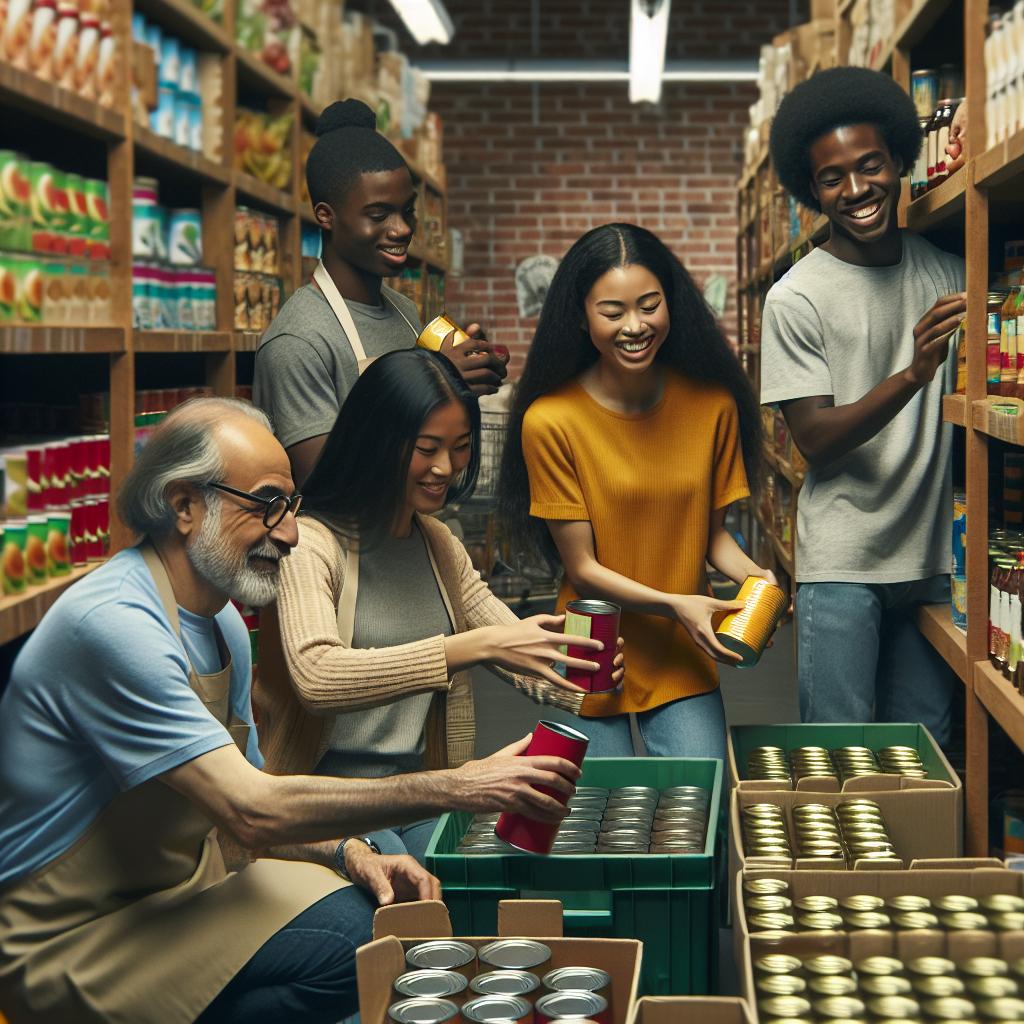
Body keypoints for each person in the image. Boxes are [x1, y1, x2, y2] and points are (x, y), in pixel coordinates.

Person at [0, 398, 582, 1024]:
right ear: (185, 505)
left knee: (378, 931)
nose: (290, 532)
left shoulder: (220, 619)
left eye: (292, 506)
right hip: (68, 938)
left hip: (175, 892)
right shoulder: (115, 625)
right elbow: (250, 812)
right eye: (265, 505)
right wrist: (458, 786)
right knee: (356, 948)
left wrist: (348, 852)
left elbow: (261, 790)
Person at [257, 348, 623, 864]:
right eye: (426, 448)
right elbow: (318, 677)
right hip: (330, 806)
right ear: (377, 442)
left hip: (425, 792)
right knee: (411, 892)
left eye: (459, 448)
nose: (444, 469)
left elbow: (509, 649)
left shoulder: (438, 543)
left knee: (493, 874)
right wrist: (471, 647)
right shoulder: (313, 544)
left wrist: (577, 670)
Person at [498, 223, 772, 763]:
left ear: (672, 303)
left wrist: (753, 576)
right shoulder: (550, 420)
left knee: (700, 817)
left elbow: (711, 534)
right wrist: (677, 604)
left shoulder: (712, 405)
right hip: (592, 649)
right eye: (613, 312)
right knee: (598, 827)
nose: (635, 326)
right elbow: (583, 569)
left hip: (681, 651)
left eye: (649, 305)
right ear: (580, 317)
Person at [759, 67, 966, 746]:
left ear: (901, 159)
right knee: (840, 751)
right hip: (844, 564)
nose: (855, 190)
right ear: (808, 189)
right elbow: (813, 438)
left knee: (925, 749)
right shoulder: (796, 297)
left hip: (935, 560)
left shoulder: (948, 269)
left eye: (870, 164)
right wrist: (912, 375)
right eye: (831, 178)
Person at [253, 98, 507, 486]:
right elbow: (324, 483)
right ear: (326, 215)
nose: (402, 229)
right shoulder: (299, 341)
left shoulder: (404, 311)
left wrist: (464, 381)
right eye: (378, 216)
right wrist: (439, 380)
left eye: (407, 211)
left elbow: (428, 441)